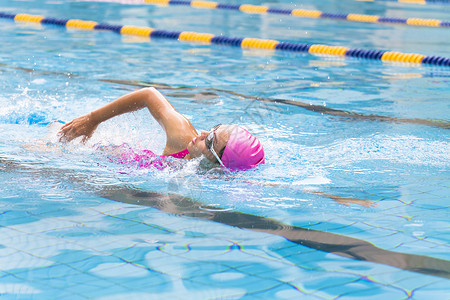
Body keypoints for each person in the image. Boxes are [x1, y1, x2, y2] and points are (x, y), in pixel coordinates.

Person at [58, 87, 265, 170]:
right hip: (93, 154)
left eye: (210, 140)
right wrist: (93, 119)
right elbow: (149, 94)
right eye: (212, 129)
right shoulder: (183, 138)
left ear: (219, 167)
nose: (202, 134)